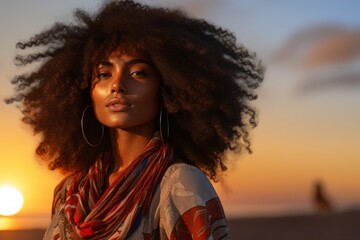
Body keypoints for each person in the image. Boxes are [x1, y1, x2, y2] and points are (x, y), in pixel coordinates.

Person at [6, 0, 264, 239]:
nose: (117, 84)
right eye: (104, 74)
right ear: (86, 91)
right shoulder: (69, 191)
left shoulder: (179, 184)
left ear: (168, 90)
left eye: (138, 73)